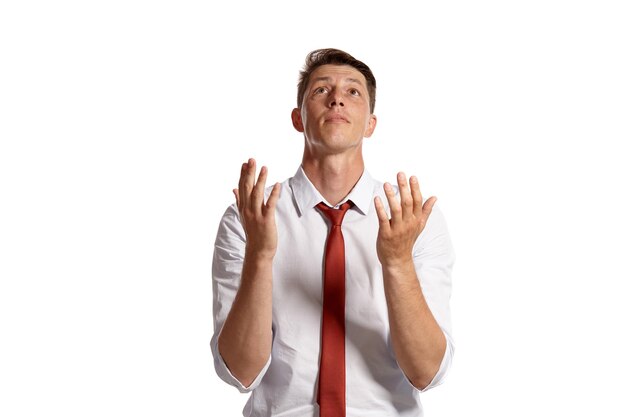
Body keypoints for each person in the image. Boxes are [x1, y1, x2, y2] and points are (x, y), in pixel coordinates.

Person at [211, 48, 455, 417]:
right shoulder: (249, 218)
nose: (337, 97)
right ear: (298, 118)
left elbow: (426, 373)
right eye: (321, 90)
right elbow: (240, 373)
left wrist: (398, 263)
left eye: (353, 91)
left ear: (371, 123)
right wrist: (260, 256)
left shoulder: (412, 221)